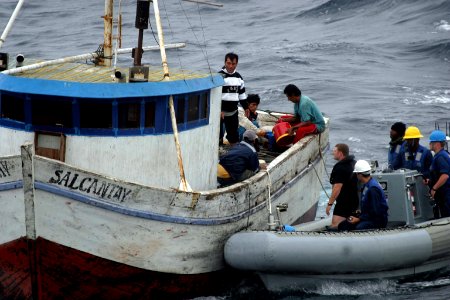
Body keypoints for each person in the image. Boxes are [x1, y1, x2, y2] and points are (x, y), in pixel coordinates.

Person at [338, 160, 388, 231]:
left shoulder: (373, 189)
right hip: (368, 217)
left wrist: (359, 219)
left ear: (360, 175)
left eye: (357, 174)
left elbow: (376, 212)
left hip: (377, 221)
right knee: (343, 225)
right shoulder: (367, 185)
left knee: (358, 228)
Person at [326, 144, 359, 228]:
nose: (333, 153)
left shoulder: (340, 167)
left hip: (344, 202)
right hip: (354, 200)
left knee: (335, 224)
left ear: (340, 153)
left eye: (335, 151)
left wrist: (330, 204)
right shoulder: (354, 163)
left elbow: (337, 187)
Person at [219, 52, 248, 145]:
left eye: (233, 64)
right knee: (218, 135)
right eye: (228, 63)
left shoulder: (239, 78)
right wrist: (219, 110)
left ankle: (234, 154)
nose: (231, 66)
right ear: (225, 62)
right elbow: (214, 97)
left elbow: (242, 95)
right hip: (220, 113)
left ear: (237, 64)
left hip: (233, 112)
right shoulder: (219, 76)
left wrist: (246, 108)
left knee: (234, 136)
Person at [426, 130, 450, 218]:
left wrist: (434, 189)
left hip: (446, 195)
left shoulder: (441, 157)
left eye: (431, 142)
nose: (429, 144)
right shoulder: (441, 155)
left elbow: (445, 176)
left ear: (436, 143)